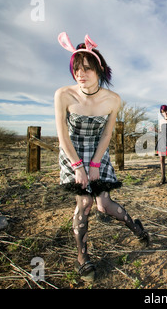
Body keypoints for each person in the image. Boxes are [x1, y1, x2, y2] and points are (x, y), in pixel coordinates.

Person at [55, 32, 149, 281]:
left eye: (86, 68)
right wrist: (78, 167)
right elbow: (62, 135)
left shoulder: (113, 99)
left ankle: (135, 226)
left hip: (98, 151)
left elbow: (107, 134)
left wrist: (95, 164)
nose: (80, 74)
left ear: (100, 69)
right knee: (84, 203)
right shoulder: (64, 94)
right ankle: (83, 258)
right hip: (72, 151)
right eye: (76, 69)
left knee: (103, 204)